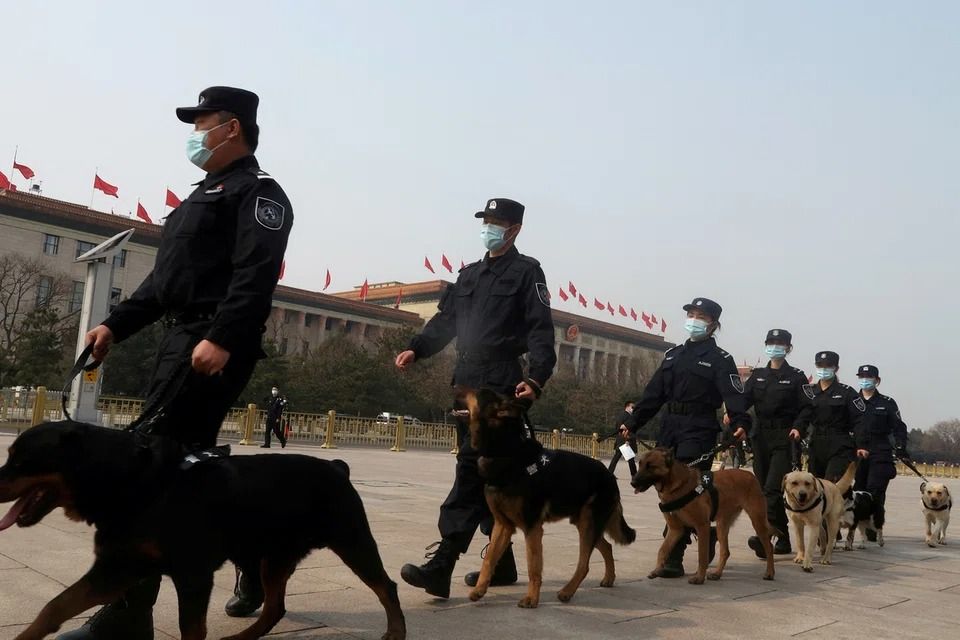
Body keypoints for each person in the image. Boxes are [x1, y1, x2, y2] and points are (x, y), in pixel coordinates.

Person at [59, 86, 293, 640]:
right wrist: (116, 324)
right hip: (180, 339)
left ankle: (127, 612)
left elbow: (256, 275)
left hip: (211, 345)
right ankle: (256, 559)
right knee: (189, 471)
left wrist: (223, 337)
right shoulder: (198, 196)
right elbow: (165, 283)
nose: (194, 133)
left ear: (230, 128)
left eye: (201, 122)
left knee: (156, 470)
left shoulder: (259, 195)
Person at [395, 197, 556, 599]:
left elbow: (540, 330)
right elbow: (445, 321)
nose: (489, 228)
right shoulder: (468, 276)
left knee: (472, 466)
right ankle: (501, 565)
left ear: (514, 229)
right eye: (486, 221)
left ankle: (443, 562)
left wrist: (536, 378)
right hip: (465, 378)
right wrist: (417, 348)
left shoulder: (527, 273)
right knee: (488, 471)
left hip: (500, 380)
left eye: (497, 222)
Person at [624, 297, 751, 578]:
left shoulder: (721, 359)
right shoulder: (673, 355)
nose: (694, 319)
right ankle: (699, 531)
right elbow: (653, 394)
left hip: (699, 427)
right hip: (670, 425)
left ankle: (673, 557)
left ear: (713, 324)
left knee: (683, 490)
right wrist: (633, 422)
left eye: (701, 316)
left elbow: (733, 394)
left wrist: (741, 421)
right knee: (665, 488)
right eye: (691, 314)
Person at [741, 329, 809, 558]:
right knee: (764, 490)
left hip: (785, 437)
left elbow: (807, 407)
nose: (775, 346)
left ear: (788, 348)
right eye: (771, 342)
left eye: (780, 343)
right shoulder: (758, 375)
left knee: (772, 488)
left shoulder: (797, 376)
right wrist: (733, 413)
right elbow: (743, 400)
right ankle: (783, 537)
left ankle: (764, 537)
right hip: (760, 436)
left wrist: (799, 426)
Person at [854, 364, 909, 539]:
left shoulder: (887, 403)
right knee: (858, 490)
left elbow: (899, 427)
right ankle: (857, 524)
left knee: (875, 491)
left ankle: (873, 526)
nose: (865, 380)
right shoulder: (852, 401)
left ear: (877, 381)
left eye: (869, 377)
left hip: (880, 450)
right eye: (861, 377)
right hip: (857, 451)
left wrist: (900, 447)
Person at [795, 351, 867, 482]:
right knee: (815, 487)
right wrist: (797, 429)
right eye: (820, 365)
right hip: (816, 444)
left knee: (831, 485)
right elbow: (802, 415)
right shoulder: (809, 392)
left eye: (828, 365)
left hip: (839, 445)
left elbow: (859, 421)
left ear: (836, 368)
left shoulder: (847, 392)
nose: (824, 369)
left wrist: (861, 444)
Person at [599, 401, 638, 477]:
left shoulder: (620, 415)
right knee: (630, 459)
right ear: (627, 407)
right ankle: (634, 475)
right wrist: (627, 440)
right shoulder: (628, 417)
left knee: (617, 458)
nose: (633, 409)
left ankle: (609, 473)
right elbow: (626, 430)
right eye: (632, 407)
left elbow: (618, 428)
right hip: (625, 440)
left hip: (621, 440)